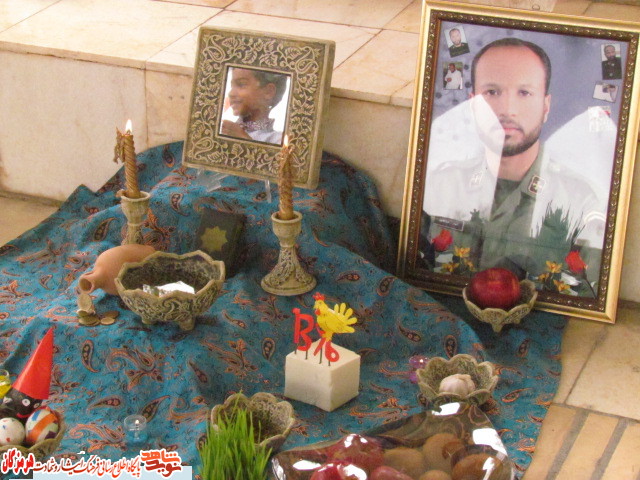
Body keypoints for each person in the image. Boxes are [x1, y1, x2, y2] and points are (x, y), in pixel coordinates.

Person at [422, 38, 605, 294]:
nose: (507, 110)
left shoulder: (581, 202)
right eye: (492, 92)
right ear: (472, 105)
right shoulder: (440, 186)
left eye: (524, 93)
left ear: (546, 106)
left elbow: (588, 294)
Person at [220, 68, 288, 144]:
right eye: (232, 86)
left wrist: (243, 139)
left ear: (268, 92)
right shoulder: (222, 130)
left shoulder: (279, 140)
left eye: (241, 84)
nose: (231, 93)